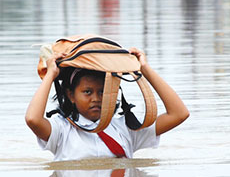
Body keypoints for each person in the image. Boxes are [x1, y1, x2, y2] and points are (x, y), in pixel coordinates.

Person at [25, 47, 189, 161]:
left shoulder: (127, 128)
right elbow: (32, 119)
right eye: (87, 92)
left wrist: (145, 69)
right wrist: (50, 75)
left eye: (102, 92)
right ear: (71, 95)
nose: (96, 98)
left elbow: (179, 114)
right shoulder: (61, 131)